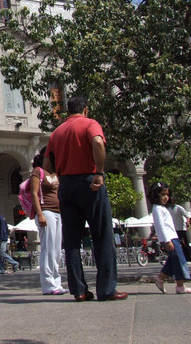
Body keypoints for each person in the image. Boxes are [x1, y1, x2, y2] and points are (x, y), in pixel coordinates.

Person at [43, 95, 126, 302]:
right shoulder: (90, 124)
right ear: (86, 110)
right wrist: (99, 172)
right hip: (90, 182)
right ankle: (106, 289)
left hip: (66, 185)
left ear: (67, 111)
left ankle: (79, 290)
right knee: (102, 236)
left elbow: (46, 164)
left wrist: (60, 172)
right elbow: (98, 142)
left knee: (71, 241)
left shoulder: (57, 132)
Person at [30, 146, 67, 295]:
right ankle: (47, 284)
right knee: (48, 248)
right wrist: (40, 214)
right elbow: (34, 194)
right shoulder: (38, 171)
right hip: (46, 212)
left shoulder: (56, 173)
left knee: (57, 249)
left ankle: (56, 282)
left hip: (58, 213)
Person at [149, 182, 191, 294]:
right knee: (179, 261)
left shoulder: (162, 208)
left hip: (172, 237)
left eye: (167, 194)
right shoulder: (157, 209)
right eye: (162, 194)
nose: (166, 197)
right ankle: (180, 286)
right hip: (169, 238)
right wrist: (167, 240)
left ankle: (160, 278)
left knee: (173, 260)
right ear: (156, 195)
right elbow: (160, 225)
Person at [0, 208, 19, 274]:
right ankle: (1, 269)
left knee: (2, 253)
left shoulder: (1, 220)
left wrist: (0, 240)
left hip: (2, 240)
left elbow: (3, 231)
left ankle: (15, 263)